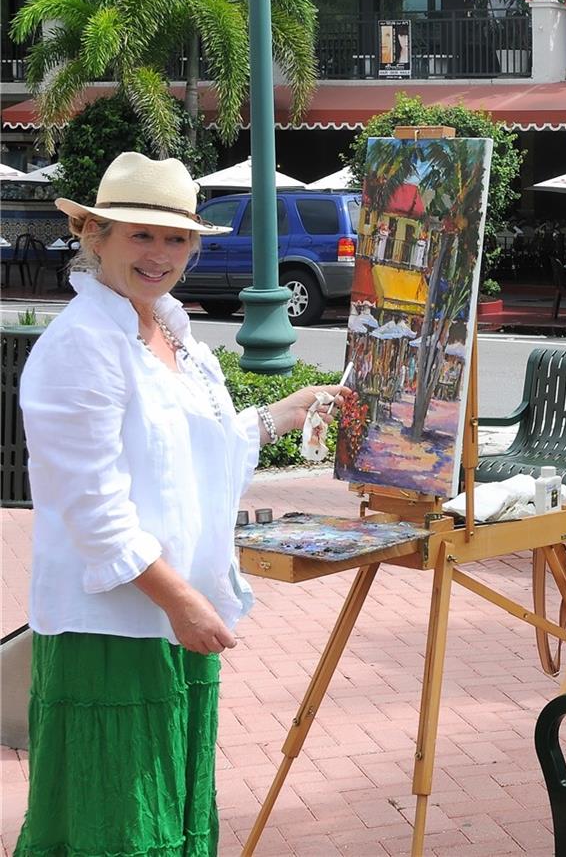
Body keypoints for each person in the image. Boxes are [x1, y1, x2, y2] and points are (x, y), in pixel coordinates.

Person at [15, 152, 350, 856]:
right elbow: (92, 506)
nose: (159, 254)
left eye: (176, 238)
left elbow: (193, 449)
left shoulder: (169, 332)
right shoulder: (84, 344)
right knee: (115, 820)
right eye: (141, 235)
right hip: (113, 624)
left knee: (169, 810)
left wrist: (280, 415)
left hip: (175, 613)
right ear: (96, 235)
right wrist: (180, 601)